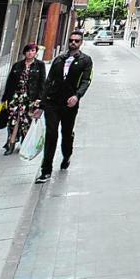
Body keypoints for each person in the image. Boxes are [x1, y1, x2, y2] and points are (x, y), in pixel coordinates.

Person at [36, 30, 93, 184]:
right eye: (71, 40)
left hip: (70, 104)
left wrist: (77, 96)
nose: (73, 43)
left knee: (66, 133)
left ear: (81, 43)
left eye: (76, 41)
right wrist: (41, 104)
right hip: (53, 103)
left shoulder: (85, 60)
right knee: (51, 134)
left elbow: (86, 80)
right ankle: (46, 170)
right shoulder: (59, 59)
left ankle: (66, 155)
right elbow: (48, 82)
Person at [0, 43, 45, 155]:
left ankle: (24, 143)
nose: (30, 53)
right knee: (13, 120)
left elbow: (42, 83)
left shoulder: (40, 65)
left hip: (30, 98)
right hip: (16, 97)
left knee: (26, 121)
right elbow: (10, 82)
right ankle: (11, 143)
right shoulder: (17, 65)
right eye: (28, 51)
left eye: (33, 51)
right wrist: (5, 98)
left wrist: (40, 98)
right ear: (24, 52)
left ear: (36, 53)